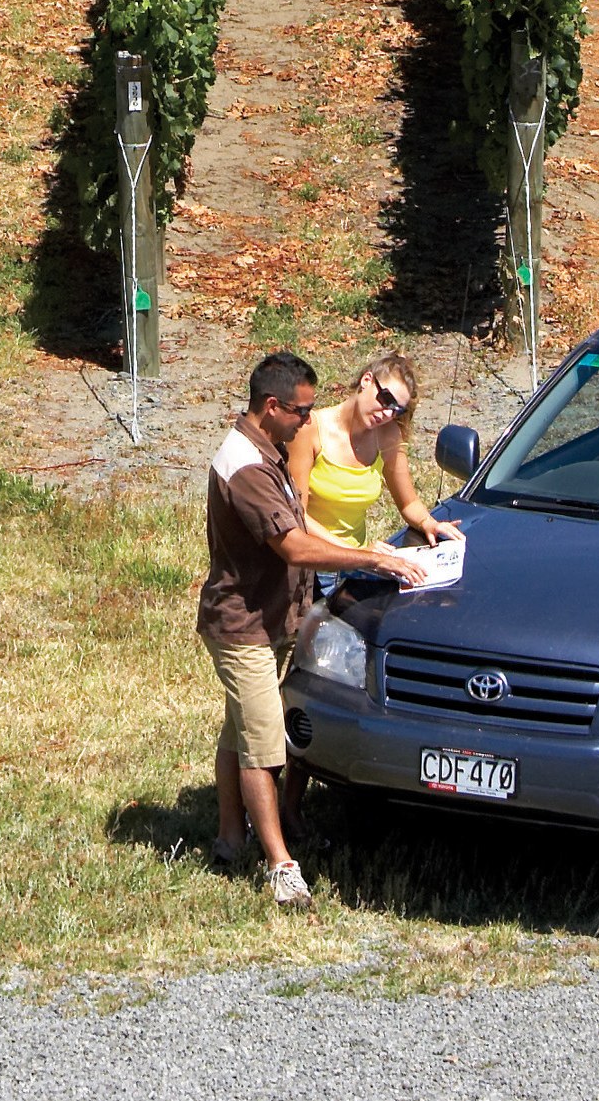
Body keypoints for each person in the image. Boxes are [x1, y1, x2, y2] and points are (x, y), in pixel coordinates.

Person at [202, 350, 429, 907]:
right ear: (273, 406)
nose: (308, 421)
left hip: (276, 611)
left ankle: (231, 839)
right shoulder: (248, 467)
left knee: (240, 730)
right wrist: (370, 559)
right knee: (264, 745)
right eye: (300, 412)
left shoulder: (265, 449)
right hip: (244, 624)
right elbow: (294, 542)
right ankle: (281, 865)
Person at [285, 349, 461, 565]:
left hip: (359, 562)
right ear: (366, 380)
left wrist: (429, 523)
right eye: (386, 399)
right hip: (314, 561)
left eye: (397, 410)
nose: (387, 414)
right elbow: (296, 514)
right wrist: (357, 553)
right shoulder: (310, 429)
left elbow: (408, 503)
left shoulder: (388, 435)